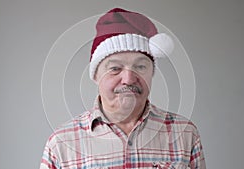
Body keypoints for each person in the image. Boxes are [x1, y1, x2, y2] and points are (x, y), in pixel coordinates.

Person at [40, 8, 206, 169]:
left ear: (151, 73)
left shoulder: (185, 133)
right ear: (96, 75)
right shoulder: (61, 143)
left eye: (140, 67)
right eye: (115, 68)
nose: (128, 79)